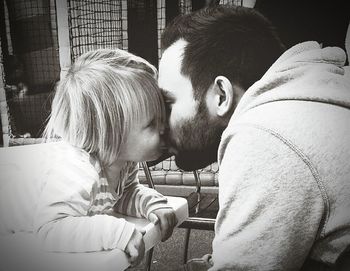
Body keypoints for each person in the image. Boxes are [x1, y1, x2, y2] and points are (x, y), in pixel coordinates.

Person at [158, 5, 350, 271]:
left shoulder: (266, 135)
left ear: (221, 96)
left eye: (169, 103)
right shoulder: (309, 96)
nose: (160, 125)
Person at [0, 48, 177, 267]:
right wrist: (117, 232)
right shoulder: (78, 168)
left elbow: (124, 195)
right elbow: (50, 227)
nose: (164, 129)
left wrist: (152, 205)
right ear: (111, 134)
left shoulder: (124, 163)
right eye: (152, 123)